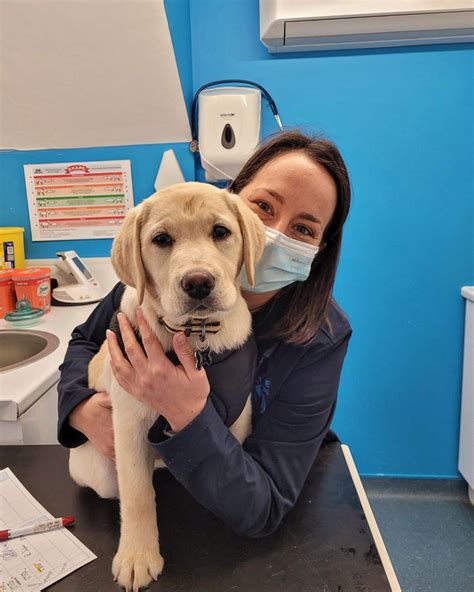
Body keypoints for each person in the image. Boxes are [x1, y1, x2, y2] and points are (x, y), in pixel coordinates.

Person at [57, 129, 352, 537]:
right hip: (150, 492)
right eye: (264, 206)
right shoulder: (153, 288)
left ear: (321, 248)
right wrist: (81, 410)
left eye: (304, 229)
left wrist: (183, 410)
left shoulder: (321, 339)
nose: (276, 235)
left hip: (237, 505)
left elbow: (265, 507)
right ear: (237, 194)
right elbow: (85, 343)